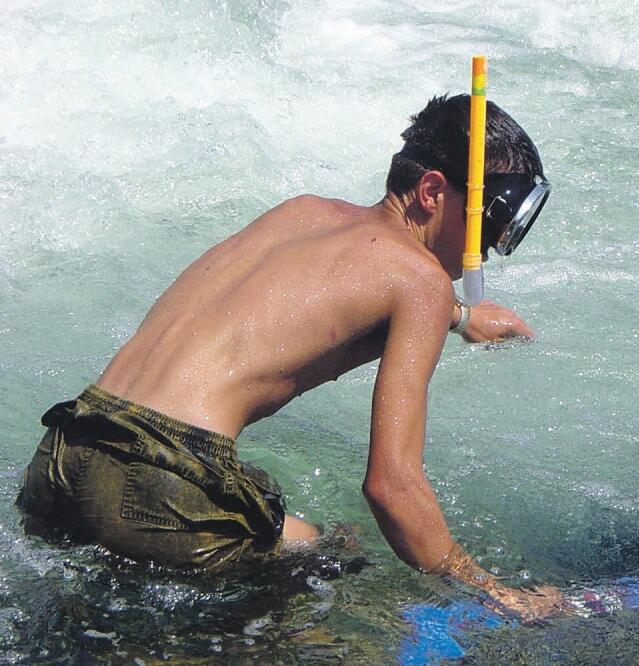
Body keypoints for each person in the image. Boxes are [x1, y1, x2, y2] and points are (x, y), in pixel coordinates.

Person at [17, 94, 566, 620]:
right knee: (346, 587)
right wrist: (489, 590)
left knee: (319, 545)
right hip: (163, 481)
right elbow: (392, 487)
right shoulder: (421, 282)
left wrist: (463, 317)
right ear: (431, 191)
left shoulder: (303, 212)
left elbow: (324, 294)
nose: (492, 246)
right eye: (493, 218)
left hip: (67, 448)